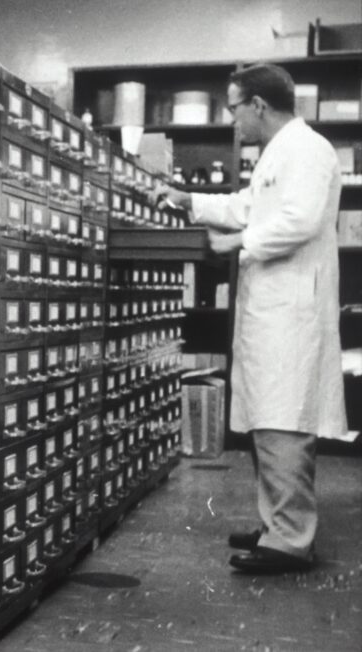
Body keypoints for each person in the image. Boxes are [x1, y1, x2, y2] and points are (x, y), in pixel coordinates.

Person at [152, 63, 346, 574]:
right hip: (271, 310)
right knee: (269, 421)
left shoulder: (308, 149)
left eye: (235, 107)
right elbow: (248, 205)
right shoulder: (277, 154)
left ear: (258, 104)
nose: (233, 119)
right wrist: (188, 200)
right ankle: (278, 524)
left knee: (283, 421)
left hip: (291, 312)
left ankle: (289, 539)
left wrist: (242, 241)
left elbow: (297, 220)